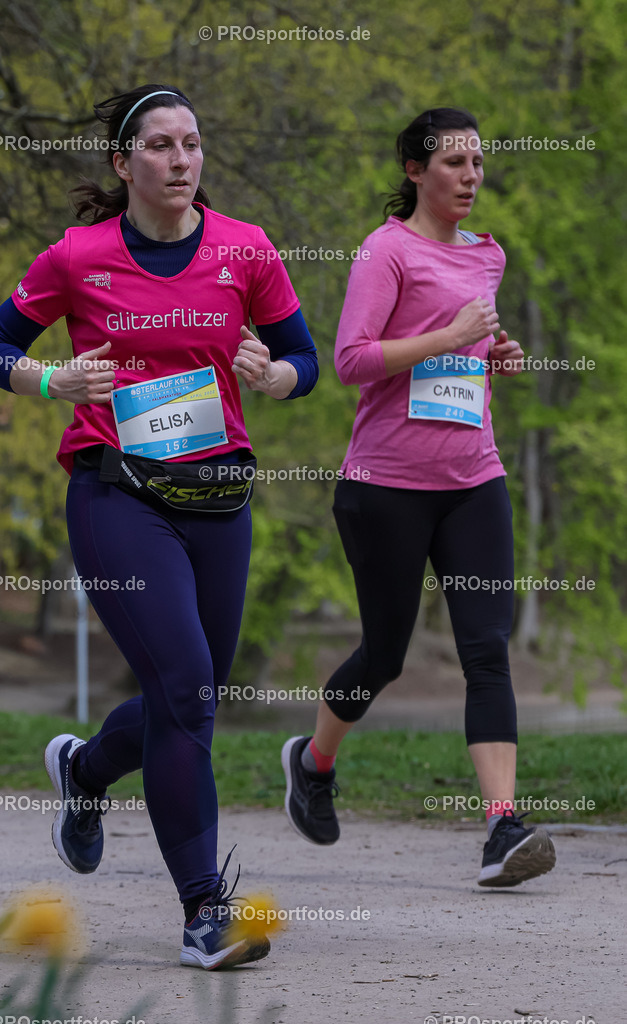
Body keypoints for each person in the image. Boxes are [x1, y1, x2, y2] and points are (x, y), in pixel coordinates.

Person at [0, 84, 318, 968]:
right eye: (161, 145)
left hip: (219, 496)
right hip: (115, 493)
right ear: (123, 163)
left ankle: (85, 771)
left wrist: (275, 377)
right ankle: (205, 912)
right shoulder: (76, 256)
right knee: (187, 685)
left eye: (191, 144)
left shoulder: (246, 248)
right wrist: (52, 382)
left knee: (190, 699)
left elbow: (304, 358)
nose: (181, 159)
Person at [281, 107, 556, 888]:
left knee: (486, 650)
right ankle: (313, 761)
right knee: (385, 655)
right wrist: (450, 337)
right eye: (453, 163)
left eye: (477, 162)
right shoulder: (385, 250)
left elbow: (462, 350)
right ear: (414, 170)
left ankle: (501, 828)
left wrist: (491, 355)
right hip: (385, 487)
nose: (470, 176)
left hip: (473, 479)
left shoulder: (487, 255)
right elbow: (350, 360)